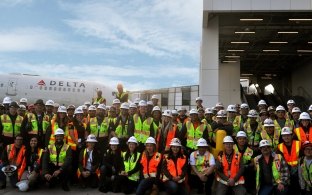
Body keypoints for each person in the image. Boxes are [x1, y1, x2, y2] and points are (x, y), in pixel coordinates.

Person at [277, 127, 301, 195]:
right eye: (284, 135)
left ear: (291, 135)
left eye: (288, 135)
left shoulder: (298, 143)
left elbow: (302, 157)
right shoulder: (279, 147)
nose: (286, 137)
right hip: (286, 170)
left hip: (298, 169)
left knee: (297, 187)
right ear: (282, 137)